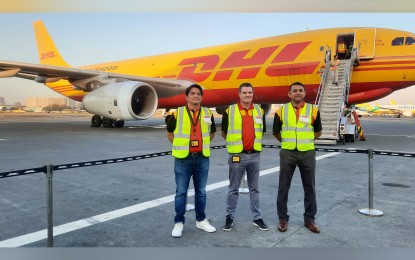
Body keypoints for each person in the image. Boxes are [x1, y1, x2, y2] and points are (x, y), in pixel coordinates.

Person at [166, 84, 217, 238]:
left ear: (201, 97)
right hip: (183, 158)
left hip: (202, 157)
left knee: (201, 192)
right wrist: (181, 147)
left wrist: (202, 145)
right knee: (181, 192)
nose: (196, 96)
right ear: (186, 97)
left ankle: (201, 220)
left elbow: (212, 133)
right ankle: (179, 222)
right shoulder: (177, 113)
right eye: (193, 94)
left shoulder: (208, 113)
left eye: (199, 94)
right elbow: (169, 133)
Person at [272, 82, 322, 234]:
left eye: (300, 90)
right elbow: (276, 132)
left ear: (304, 94)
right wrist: (288, 143)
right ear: (289, 94)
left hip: (307, 152)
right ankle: (282, 219)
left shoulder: (313, 110)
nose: (298, 93)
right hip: (288, 153)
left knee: (310, 187)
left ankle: (310, 219)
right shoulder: (281, 111)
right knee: (283, 187)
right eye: (295, 91)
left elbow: (318, 131)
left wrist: (304, 142)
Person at [221, 82, 268, 232]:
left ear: (252, 94)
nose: (247, 95)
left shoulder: (259, 111)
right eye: (245, 93)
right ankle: (230, 217)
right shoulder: (230, 111)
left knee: (254, 188)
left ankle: (257, 217)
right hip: (237, 156)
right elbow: (224, 131)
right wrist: (235, 146)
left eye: (250, 93)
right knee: (233, 188)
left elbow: (262, 131)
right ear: (239, 94)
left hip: (254, 156)